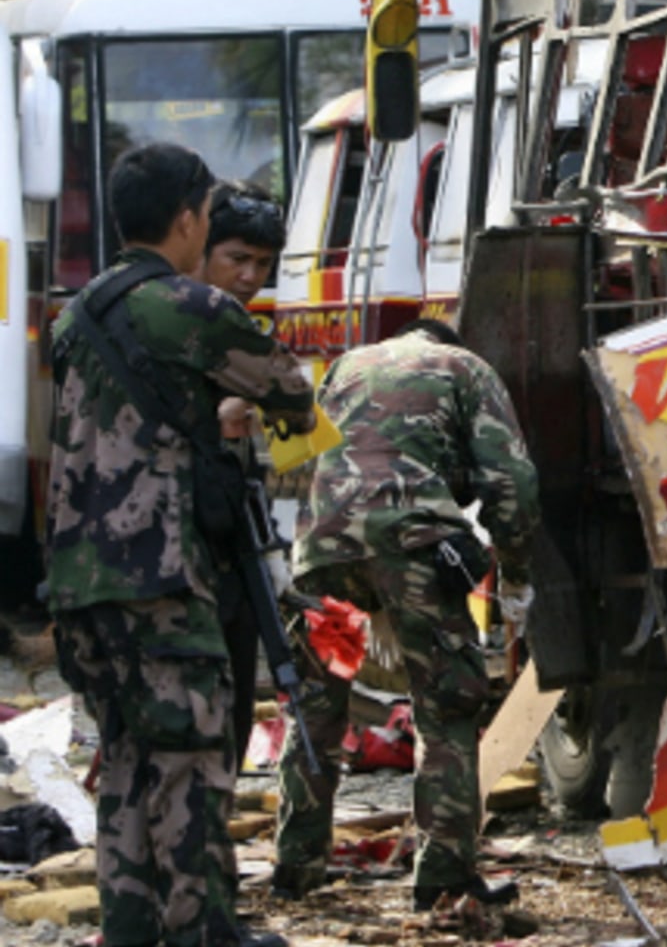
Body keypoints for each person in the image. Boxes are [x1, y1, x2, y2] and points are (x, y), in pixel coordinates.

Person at [47, 142, 315, 947]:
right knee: (195, 762)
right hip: (159, 572)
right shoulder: (187, 308)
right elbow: (292, 395)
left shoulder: (76, 312)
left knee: (127, 761)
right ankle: (207, 936)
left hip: (77, 583)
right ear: (191, 218)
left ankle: (132, 930)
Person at [273, 318, 540, 910]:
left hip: (325, 553)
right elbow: (512, 482)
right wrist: (517, 570)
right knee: (446, 706)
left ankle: (296, 865)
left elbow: (294, 460)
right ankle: (444, 876)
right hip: (414, 550)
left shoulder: (347, 366)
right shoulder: (467, 369)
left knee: (317, 703)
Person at [194, 180, 289, 764]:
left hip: (234, 536)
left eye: (262, 264)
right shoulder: (175, 324)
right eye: (237, 259)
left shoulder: (242, 331)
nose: (250, 276)